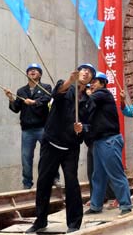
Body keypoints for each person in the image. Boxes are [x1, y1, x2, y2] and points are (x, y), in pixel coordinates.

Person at [26, 63, 95, 234]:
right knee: (44, 182)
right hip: (51, 143)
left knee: (72, 184)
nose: (86, 72)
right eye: (83, 70)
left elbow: (89, 125)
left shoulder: (88, 102)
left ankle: (74, 223)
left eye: (90, 72)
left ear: (91, 79)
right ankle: (40, 221)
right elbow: (56, 94)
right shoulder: (64, 86)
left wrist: (82, 128)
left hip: (71, 147)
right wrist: (69, 81)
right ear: (77, 73)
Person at [79, 72, 132, 215]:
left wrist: (82, 91)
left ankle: (125, 205)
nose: (92, 85)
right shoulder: (95, 101)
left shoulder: (102, 94)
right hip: (99, 141)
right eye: (91, 83)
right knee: (98, 176)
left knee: (116, 174)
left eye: (95, 82)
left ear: (103, 83)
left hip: (109, 140)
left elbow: (86, 101)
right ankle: (96, 205)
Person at [5, 63, 52, 190]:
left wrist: (34, 102)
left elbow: (47, 99)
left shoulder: (46, 87)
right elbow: (16, 109)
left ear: (40, 74)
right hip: (27, 130)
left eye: (35, 70)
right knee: (26, 158)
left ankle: (53, 178)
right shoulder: (21, 91)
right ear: (26, 74)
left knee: (49, 155)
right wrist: (11, 98)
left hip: (43, 128)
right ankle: (27, 184)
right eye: (30, 70)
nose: (32, 72)